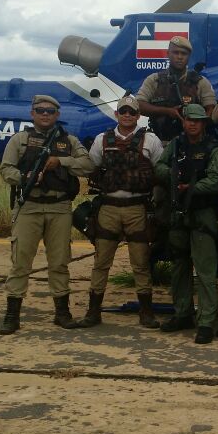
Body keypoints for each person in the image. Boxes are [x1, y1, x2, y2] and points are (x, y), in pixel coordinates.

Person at [0, 95, 95, 335]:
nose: (45, 114)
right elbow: (6, 168)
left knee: (60, 262)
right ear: (32, 113)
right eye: (40, 110)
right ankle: (12, 315)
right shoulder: (20, 140)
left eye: (50, 111)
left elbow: (88, 165)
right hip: (29, 206)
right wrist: (24, 178)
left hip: (59, 208)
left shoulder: (69, 141)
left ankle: (62, 313)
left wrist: (59, 162)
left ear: (57, 115)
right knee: (20, 262)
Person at [78, 96, 164, 329]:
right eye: (123, 111)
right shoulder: (101, 140)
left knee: (140, 263)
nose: (127, 115)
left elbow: (160, 171)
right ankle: (93, 312)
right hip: (108, 208)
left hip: (137, 208)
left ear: (138, 115)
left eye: (132, 112)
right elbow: (91, 166)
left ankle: (146, 313)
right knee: (101, 262)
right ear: (116, 114)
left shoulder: (151, 140)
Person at [154, 104, 218, 344]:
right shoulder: (176, 145)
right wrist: (173, 178)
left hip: (202, 212)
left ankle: (205, 321)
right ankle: (183, 313)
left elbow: (216, 180)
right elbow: (160, 166)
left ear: (204, 123)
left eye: (197, 120)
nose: (192, 123)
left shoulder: (213, 149)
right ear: (183, 121)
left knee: (205, 270)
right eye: (188, 120)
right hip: (178, 212)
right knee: (179, 266)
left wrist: (191, 188)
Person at [135, 36, 216, 143]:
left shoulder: (200, 82)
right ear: (168, 53)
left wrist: (196, 126)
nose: (179, 57)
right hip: (159, 142)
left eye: (184, 54)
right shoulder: (154, 80)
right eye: (175, 53)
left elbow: (211, 109)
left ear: (189, 56)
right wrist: (167, 111)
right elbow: (139, 105)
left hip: (191, 144)